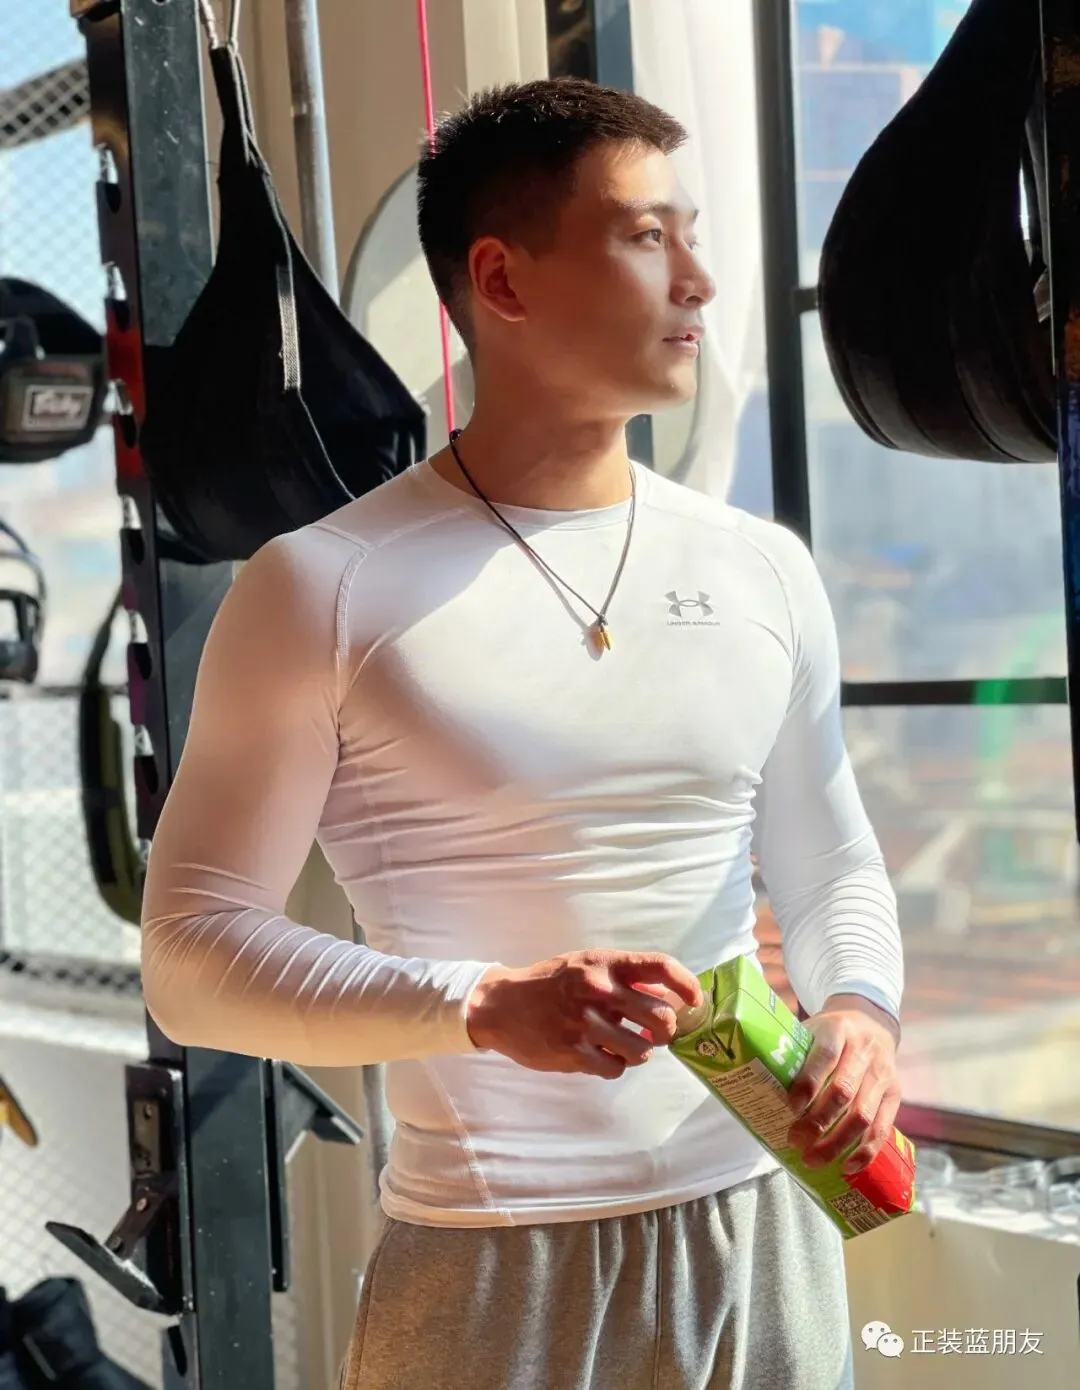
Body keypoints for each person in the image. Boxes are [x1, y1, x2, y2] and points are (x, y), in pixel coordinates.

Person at [140, 77, 904, 1390]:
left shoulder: (761, 568)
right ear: (501, 278)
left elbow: (828, 859)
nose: (702, 281)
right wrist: (485, 1007)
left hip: (765, 1217)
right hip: (495, 1257)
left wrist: (861, 1007)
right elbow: (190, 956)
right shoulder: (322, 585)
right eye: (649, 236)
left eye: (694, 234)